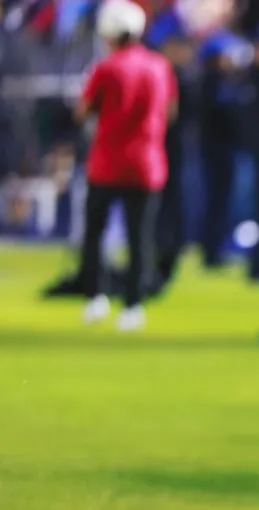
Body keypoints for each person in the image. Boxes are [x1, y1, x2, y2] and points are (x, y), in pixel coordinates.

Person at [77, 0, 177, 331]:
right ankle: (133, 304)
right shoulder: (159, 66)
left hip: (107, 162)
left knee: (95, 233)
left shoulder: (106, 67)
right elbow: (170, 111)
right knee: (140, 238)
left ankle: (95, 296)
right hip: (147, 163)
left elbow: (84, 110)